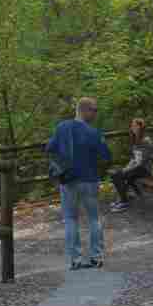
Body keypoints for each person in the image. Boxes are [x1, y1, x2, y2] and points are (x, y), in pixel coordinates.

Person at [47, 97, 111, 270]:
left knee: (70, 219)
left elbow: (49, 148)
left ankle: (75, 260)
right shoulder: (93, 132)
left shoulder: (61, 127)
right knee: (93, 219)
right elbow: (106, 156)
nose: (96, 114)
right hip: (89, 179)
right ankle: (96, 257)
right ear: (84, 110)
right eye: (94, 110)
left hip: (67, 179)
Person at [109, 118, 153, 212]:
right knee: (115, 174)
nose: (132, 127)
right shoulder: (135, 139)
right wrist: (127, 167)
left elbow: (141, 161)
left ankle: (124, 202)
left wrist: (127, 169)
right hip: (136, 168)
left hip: (144, 170)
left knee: (117, 175)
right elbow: (133, 159)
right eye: (132, 125)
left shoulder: (146, 140)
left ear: (141, 127)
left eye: (135, 125)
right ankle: (123, 198)